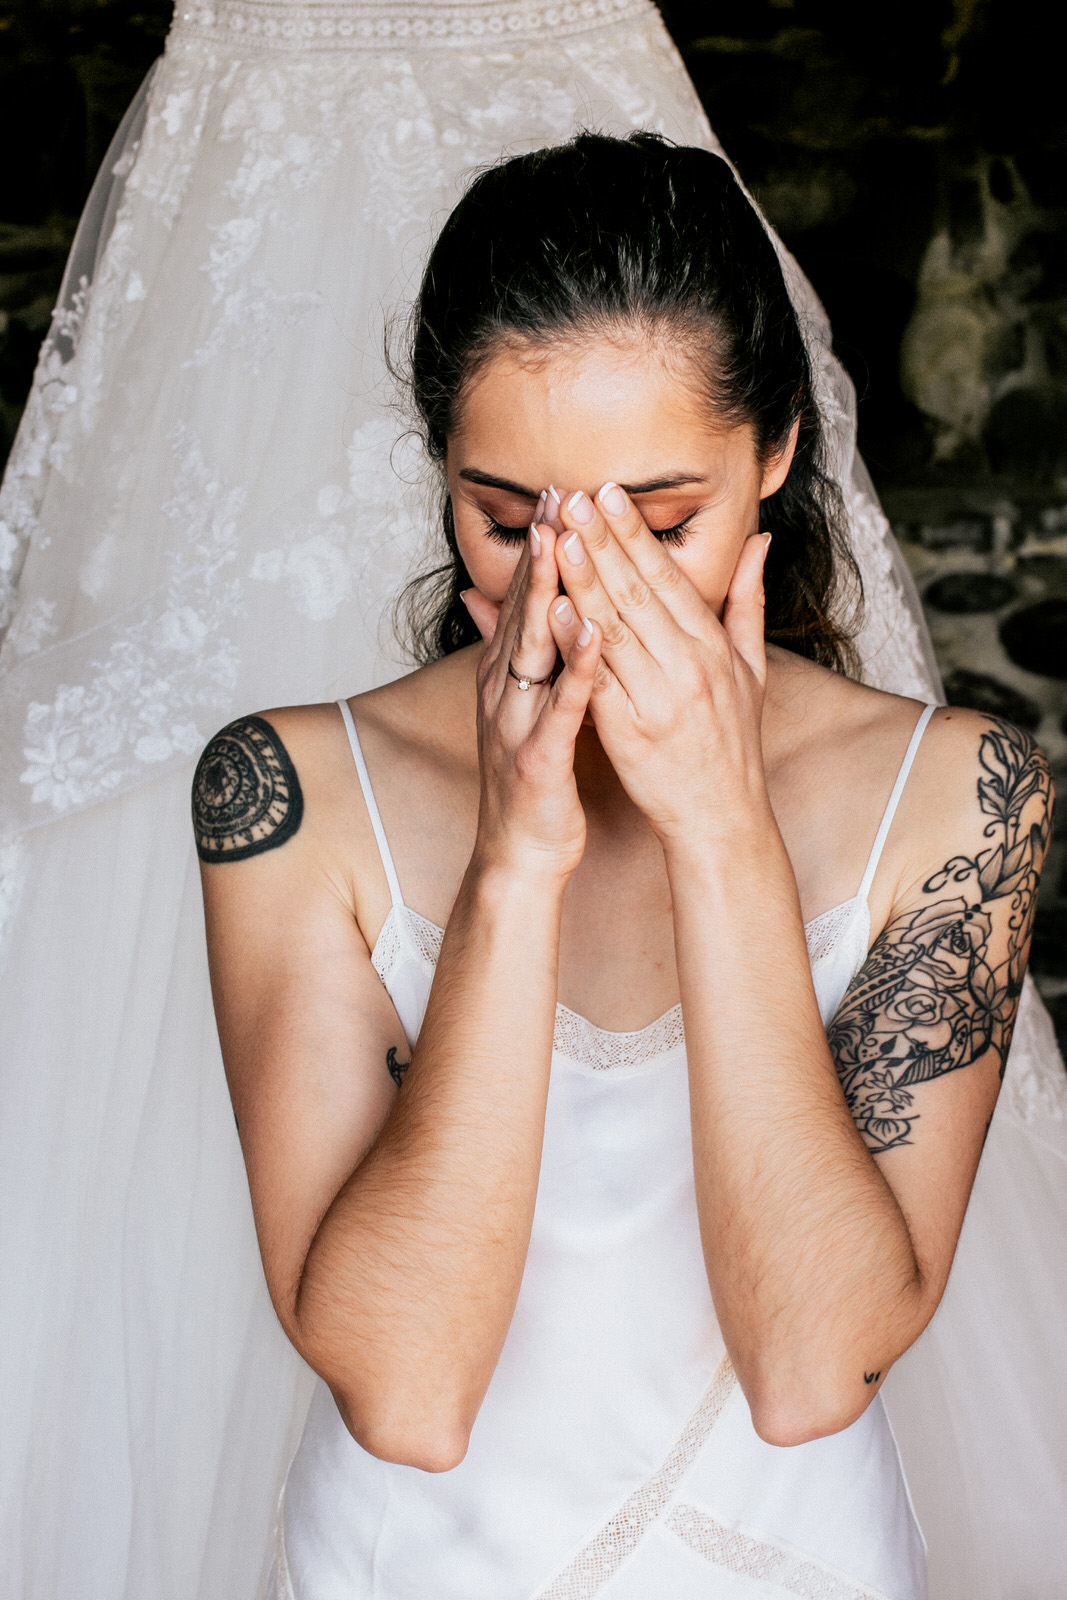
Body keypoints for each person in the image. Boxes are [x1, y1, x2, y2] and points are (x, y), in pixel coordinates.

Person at [1, 4, 1064, 1597]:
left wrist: (719, 832)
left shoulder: (962, 797)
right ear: (440, 476)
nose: (577, 587)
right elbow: (408, 1394)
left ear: (775, 457)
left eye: (658, 518)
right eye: (509, 523)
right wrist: (512, 867)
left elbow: (809, 1366)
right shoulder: (286, 794)